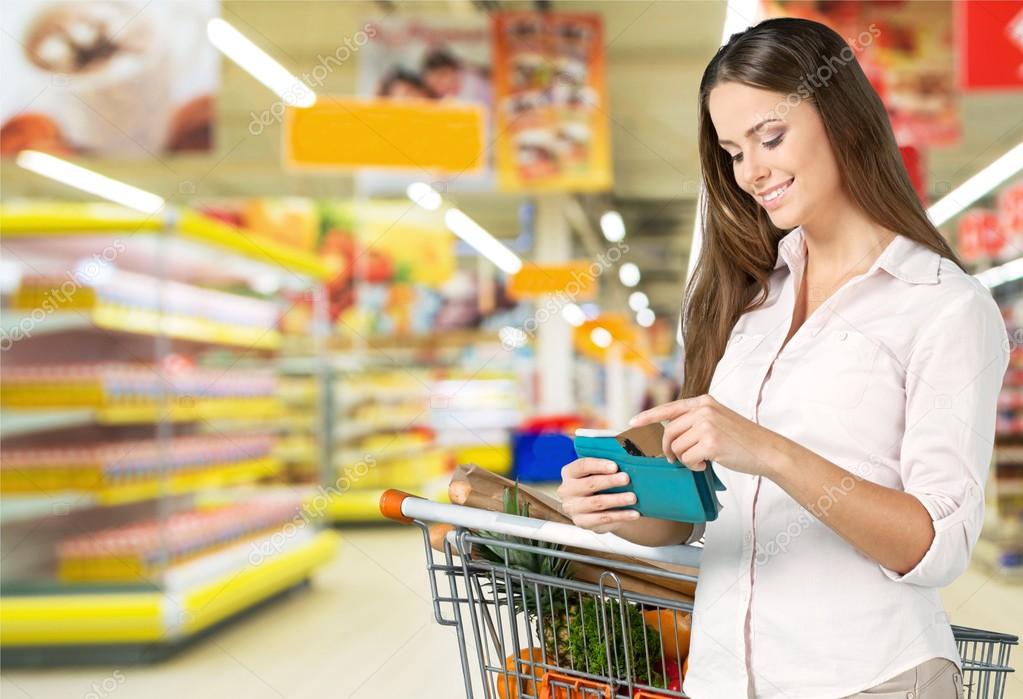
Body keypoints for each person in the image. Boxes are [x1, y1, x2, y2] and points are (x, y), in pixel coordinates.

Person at [557, 17, 1006, 699]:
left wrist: (769, 450)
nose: (752, 172)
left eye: (769, 137)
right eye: (733, 152)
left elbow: (935, 545)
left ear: (842, 119)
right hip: (722, 679)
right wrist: (619, 502)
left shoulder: (943, 306)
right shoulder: (744, 297)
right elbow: (691, 514)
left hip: (868, 677)